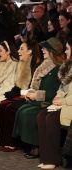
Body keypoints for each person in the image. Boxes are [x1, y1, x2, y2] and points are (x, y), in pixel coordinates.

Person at [12, 37, 64, 159]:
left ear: (52, 51)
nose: (42, 49)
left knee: (28, 113)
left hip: (49, 102)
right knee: (21, 109)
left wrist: (37, 95)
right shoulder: (44, 66)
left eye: (45, 48)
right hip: (41, 100)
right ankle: (28, 143)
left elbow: (55, 92)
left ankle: (37, 146)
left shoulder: (58, 68)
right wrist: (32, 93)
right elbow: (36, 85)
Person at [0, 40, 42, 151]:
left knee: (10, 108)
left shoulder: (36, 66)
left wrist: (18, 92)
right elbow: (18, 85)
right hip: (22, 95)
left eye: (22, 49)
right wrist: (14, 91)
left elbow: (34, 89)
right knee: (2, 105)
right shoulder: (21, 64)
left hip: (31, 98)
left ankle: (14, 142)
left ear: (30, 52)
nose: (18, 51)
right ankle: (5, 141)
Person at [37, 38, 72, 169]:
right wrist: (58, 98)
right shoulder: (68, 66)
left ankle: (54, 159)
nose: (66, 52)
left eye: (68, 49)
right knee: (41, 116)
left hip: (70, 105)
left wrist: (63, 101)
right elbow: (62, 88)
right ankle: (46, 158)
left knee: (51, 119)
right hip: (64, 104)